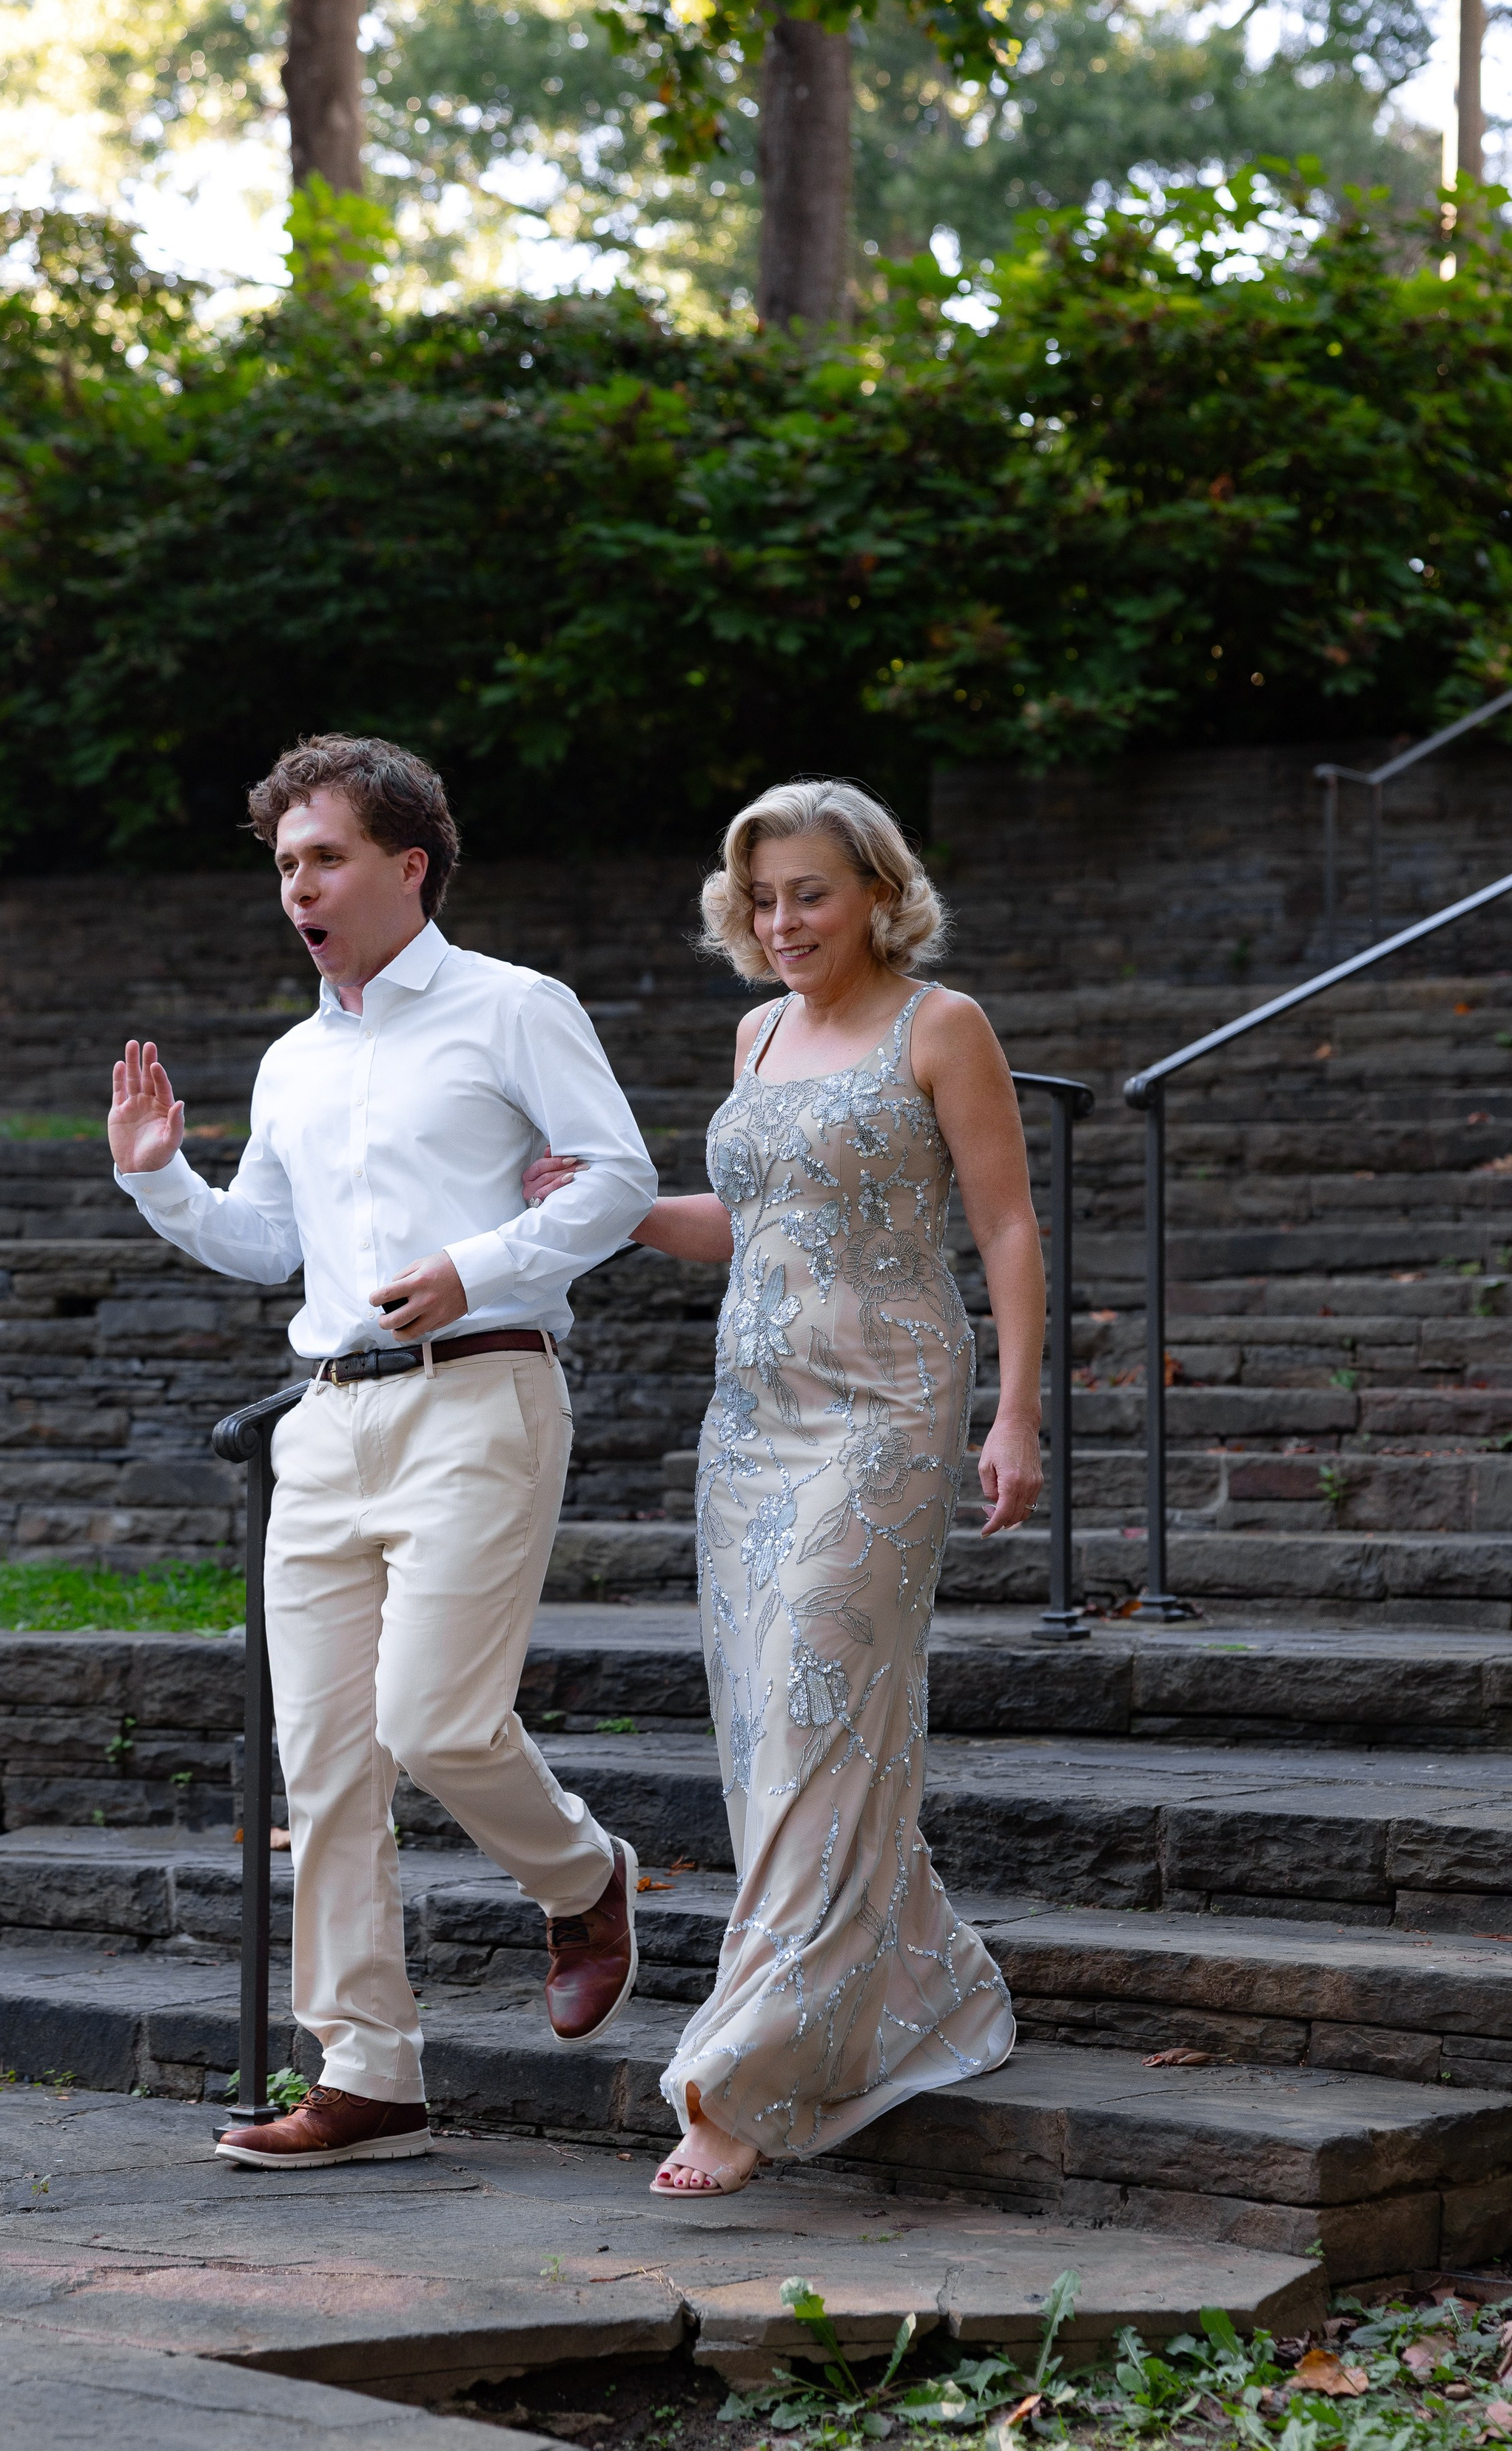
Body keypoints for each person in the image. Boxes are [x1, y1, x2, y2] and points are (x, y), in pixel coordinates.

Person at [108, 734, 658, 2171]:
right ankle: (370, 2073)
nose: (299, 883)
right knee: (325, 1766)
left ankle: (582, 1873)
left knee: (435, 1724)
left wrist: (477, 1264)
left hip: (478, 1396)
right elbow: (269, 1244)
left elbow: (616, 1176)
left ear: (406, 865)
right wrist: (160, 1175)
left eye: (326, 856)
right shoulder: (295, 1056)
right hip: (325, 1424)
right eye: (285, 862)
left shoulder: (511, 1007)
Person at [524, 778, 1041, 2198]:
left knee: (819, 1690)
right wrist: (601, 1203)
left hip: (888, 1411)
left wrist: (1017, 1414)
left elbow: (1002, 1221)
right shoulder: (756, 1031)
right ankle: (917, 1980)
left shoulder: (943, 1025)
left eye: (809, 890)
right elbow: (745, 1227)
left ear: (877, 890)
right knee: (775, 1732)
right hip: (751, 1426)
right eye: (762, 898)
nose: (783, 919)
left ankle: (741, 2071)